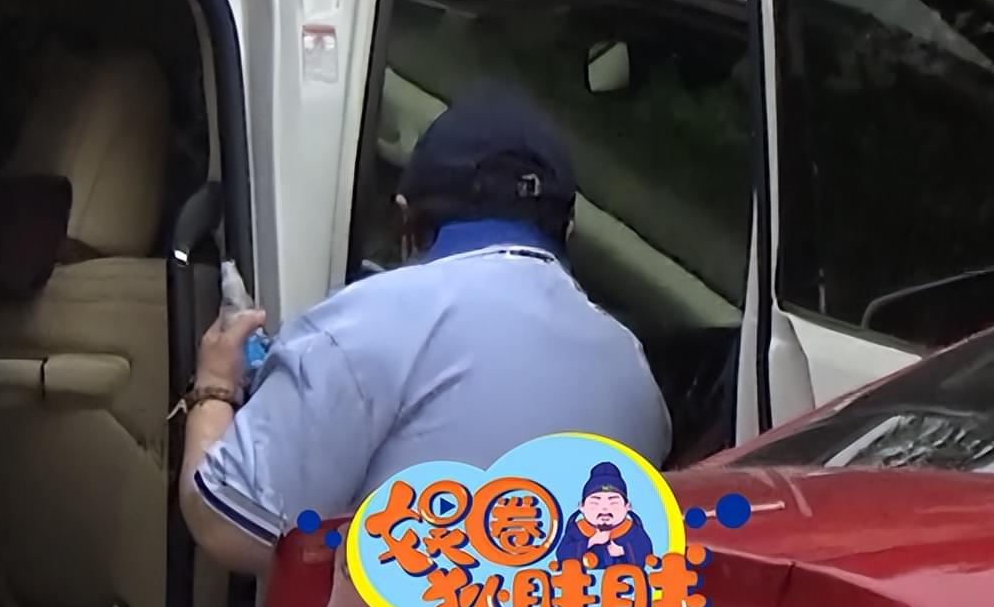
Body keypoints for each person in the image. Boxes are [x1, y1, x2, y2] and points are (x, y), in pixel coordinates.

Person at [179, 85, 671, 574]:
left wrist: (215, 385)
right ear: (567, 230)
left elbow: (232, 524)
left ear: (406, 219)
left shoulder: (370, 320)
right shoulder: (635, 373)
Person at [555, 461, 653, 569]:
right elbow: (561, 554)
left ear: (627, 506)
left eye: (613, 503)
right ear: (582, 507)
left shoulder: (632, 530)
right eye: (595, 503)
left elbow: (646, 553)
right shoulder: (578, 530)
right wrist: (591, 542)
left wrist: (623, 550)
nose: (604, 509)